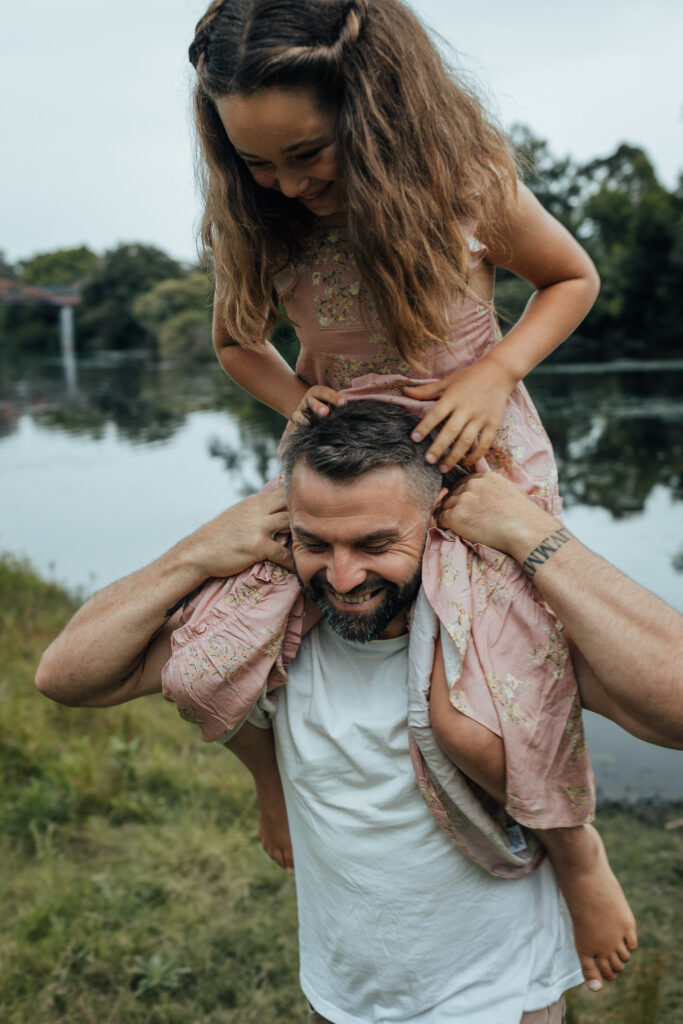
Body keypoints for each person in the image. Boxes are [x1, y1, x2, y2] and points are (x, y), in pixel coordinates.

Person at [176, 0, 618, 988]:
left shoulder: (461, 183)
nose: (287, 183)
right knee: (216, 660)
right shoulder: (263, 223)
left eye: (306, 152)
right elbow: (237, 344)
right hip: (341, 475)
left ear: (369, 112)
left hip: (471, 461)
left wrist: (493, 373)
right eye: (259, 163)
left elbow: (569, 279)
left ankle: (576, 849)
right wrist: (295, 396)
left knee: (475, 710)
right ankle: (275, 788)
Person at [35, 404, 683, 1023]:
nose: (342, 577)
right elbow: (66, 676)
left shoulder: (502, 636)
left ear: (437, 524)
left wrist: (533, 535)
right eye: (314, 542)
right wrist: (200, 551)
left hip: (496, 997)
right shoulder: (263, 627)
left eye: (375, 543)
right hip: (339, 995)